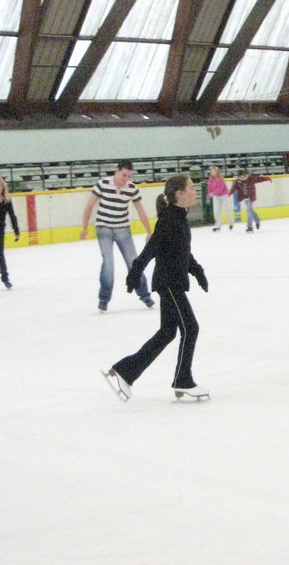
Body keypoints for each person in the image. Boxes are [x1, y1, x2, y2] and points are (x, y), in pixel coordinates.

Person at [103, 175, 209, 402]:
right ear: (180, 193)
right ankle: (183, 379)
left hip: (173, 282)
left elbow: (182, 251)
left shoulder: (179, 217)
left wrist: (197, 270)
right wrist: (135, 272)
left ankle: (125, 371)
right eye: (191, 188)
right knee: (191, 328)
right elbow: (151, 248)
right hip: (169, 283)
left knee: (168, 332)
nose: (195, 191)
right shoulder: (169, 218)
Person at [79, 159, 154, 312]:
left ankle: (145, 295)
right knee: (108, 263)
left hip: (123, 229)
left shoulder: (132, 189)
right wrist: (84, 227)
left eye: (128, 176)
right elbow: (89, 205)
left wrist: (149, 231)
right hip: (104, 228)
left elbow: (141, 210)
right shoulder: (102, 184)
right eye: (123, 175)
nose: (125, 179)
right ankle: (104, 299)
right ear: (117, 171)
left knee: (134, 263)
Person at [206, 165, 234, 232]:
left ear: (217, 172)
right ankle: (217, 226)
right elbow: (209, 188)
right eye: (211, 171)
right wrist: (208, 196)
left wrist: (213, 193)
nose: (212, 172)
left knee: (227, 209)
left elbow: (220, 188)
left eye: (213, 171)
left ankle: (230, 222)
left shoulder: (220, 179)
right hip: (217, 196)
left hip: (224, 195)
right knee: (218, 211)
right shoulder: (211, 179)